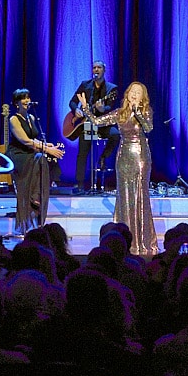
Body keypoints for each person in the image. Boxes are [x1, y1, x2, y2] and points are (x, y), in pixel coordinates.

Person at [79, 82, 158, 255]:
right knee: (124, 196)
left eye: (138, 92)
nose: (134, 94)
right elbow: (97, 121)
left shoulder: (145, 111)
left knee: (139, 195)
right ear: (127, 94)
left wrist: (137, 112)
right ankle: (126, 240)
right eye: (132, 91)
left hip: (140, 156)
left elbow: (149, 128)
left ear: (142, 96)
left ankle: (142, 241)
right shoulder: (119, 113)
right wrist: (86, 108)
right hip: (124, 156)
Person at [7, 88, 64, 234]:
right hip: (19, 155)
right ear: (16, 103)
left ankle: (37, 196)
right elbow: (25, 141)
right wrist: (46, 148)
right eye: (23, 98)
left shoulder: (32, 118)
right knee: (40, 157)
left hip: (31, 153)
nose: (26, 101)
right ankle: (33, 197)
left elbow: (35, 139)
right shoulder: (14, 119)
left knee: (45, 160)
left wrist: (48, 145)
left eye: (28, 97)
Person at [67, 60, 120, 193]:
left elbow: (110, 107)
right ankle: (79, 184)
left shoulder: (111, 89)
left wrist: (103, 109)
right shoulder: (85, 85)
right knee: (83, 151)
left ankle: (103, 157)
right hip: (88, 124)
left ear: (104, 70)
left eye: (99, 68)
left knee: (115, 134)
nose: (96, 70)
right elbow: (72, 102)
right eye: (94, 68)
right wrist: (76, 110)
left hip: (103, 123)